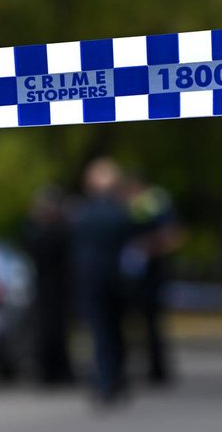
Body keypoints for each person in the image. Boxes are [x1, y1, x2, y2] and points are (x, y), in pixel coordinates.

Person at [70, 158, 134, 404]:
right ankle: (116, 379)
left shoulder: (82, 214)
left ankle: (105, 380)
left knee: (100, 333)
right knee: (116, 331)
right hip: (117, 280)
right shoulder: (121, 212)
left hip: (91, 282)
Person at [119, 175, 181, 386]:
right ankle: (150, 368)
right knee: (137, 324)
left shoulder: (153, 203)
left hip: (150, 273)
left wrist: (144, 247)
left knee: (151, 323)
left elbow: (171, 235)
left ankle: (157, 368)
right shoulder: (130, 205)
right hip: (136, 274)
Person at [23, 187, 74, 386]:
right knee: (51, 331)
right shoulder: (54, 230)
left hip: (51, 287)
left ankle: (53, 371)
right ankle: (54, 370)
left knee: (53, 331)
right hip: (52, 288)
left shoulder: (46, 231)